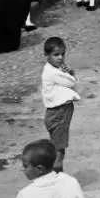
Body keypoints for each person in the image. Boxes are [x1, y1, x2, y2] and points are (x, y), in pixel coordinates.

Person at [40, 36, 79, 174]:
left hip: (56, 113)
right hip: (59, 113)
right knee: (59, 151)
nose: (60, 58)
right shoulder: (53, 73)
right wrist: (70, 72)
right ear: (47, 55)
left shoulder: (51, 69)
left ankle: (56, 176)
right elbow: (72, 82)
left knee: (57, 147)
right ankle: (57, 177)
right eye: (56, 54)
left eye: (62, 54)